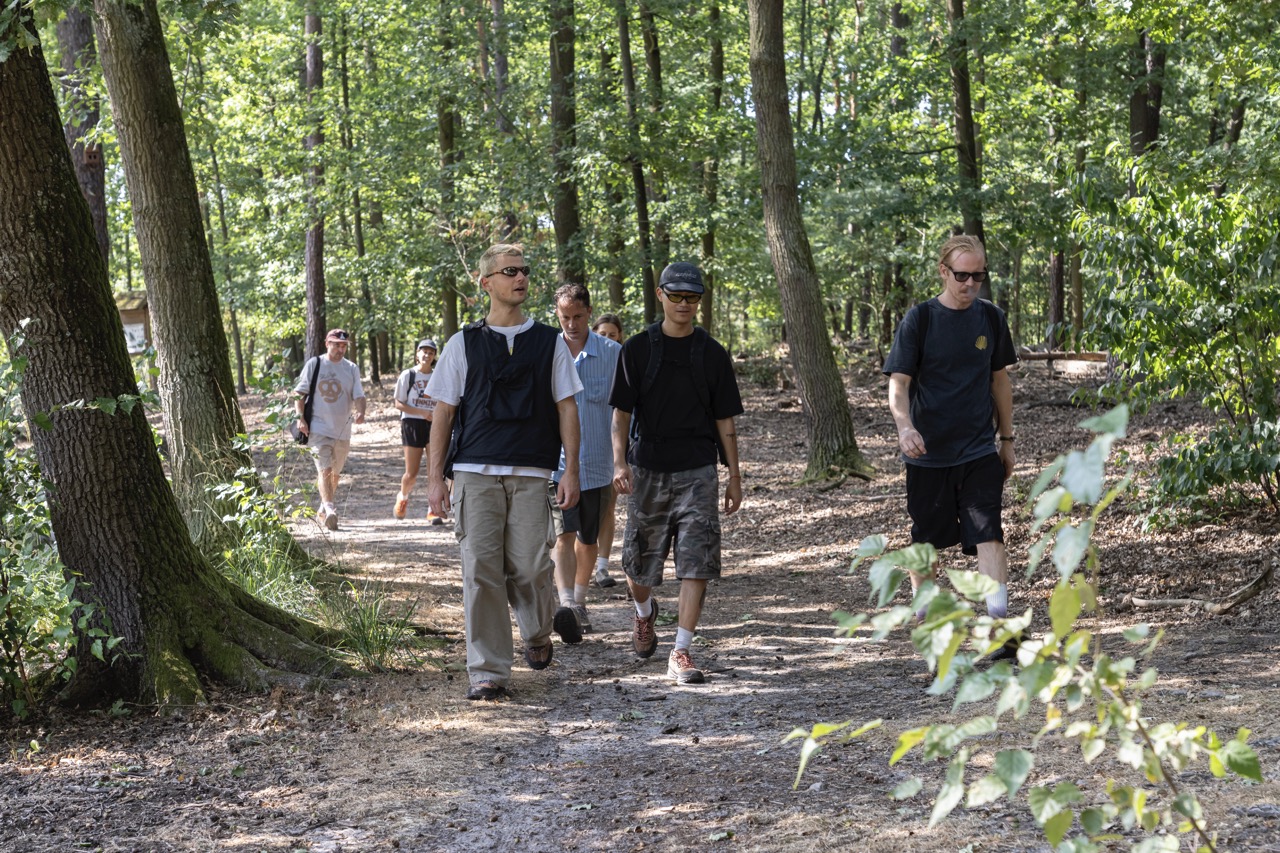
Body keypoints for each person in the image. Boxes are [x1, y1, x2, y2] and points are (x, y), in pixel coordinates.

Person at [426, 244, 582, 701]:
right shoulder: (462, 343)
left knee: (531, 566)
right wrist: (434, 479)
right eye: (510, 271)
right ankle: (488, 670)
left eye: (524, 270)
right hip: (473, 471)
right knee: (481, 571)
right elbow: (443, 413)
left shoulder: (549, 342)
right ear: (486, 283)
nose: (521, 278)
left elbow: (567, 408)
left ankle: (537, 631)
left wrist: (570, 470)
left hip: (532, 472)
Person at [882, 234, 1019, 661]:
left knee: (989, 533)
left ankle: (1000, 629)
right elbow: (898, 384)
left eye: (979, 275)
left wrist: (1007, 440)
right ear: (944, 272)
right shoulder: (920, 319)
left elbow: (1000, 382)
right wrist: (905, 427)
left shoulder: (991, 318)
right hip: (927, 454)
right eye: (962, 276)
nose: (971, 284)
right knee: (926, 546)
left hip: (978, 451)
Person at [611, 262, 744, 685]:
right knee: (639, 566)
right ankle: (644, 612)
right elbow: (620, 415)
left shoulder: (712, 353)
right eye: (676, 296)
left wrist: (734, 475)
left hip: (698, 470)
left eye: (692, 297)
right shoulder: (637, 349)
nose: (684, 304)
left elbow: (725, 419)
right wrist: (619, 462)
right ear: (660, 295)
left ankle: (681, 649)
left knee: (697, 562)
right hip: (647, 468)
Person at [549, 285, 623, 638]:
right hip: (556, 465)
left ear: (589, 313)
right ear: (557, 315)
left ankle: (579, 600)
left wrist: (624, 458)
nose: (572, 324)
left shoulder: (613, 354)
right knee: (563, 534)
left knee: (588, 538)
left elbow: (625, 411)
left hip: (598, 464)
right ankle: (566, 604)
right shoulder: (547, 351)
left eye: (578, 316)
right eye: (565, 317)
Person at [294, 328, 367, 531]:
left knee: (335, 473)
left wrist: (361, 412)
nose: (340, 349)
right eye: (336, 345)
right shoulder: (315, 364)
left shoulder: (351, 368)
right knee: (324, 470)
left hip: (342, 430)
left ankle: (322, 509)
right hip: (318, 427)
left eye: (344, 346)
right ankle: (330, 508)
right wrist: (300, 418)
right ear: (327, 344)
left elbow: (359, 395)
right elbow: (299, 393)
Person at [589, 313, 625, 589]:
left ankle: (602, 567)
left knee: (608, 508)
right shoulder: (581, 360)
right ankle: (580, 566)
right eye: (603, 334)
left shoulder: (623, 362)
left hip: (612, 446)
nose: (608, 339)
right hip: (583, 445)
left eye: (613, 335)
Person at [393, 339, 444, 525]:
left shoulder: (438, 376)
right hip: (412, 423)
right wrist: (421, 412)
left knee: (434, 470)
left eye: (431, 352)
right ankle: (403, 497)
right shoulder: (408, 375)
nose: (427, 355)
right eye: (424, 351)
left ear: (434, 356)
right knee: (411, 473)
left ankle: (433, 509)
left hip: (434, 424)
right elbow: (398, 403)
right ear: (417, 353)